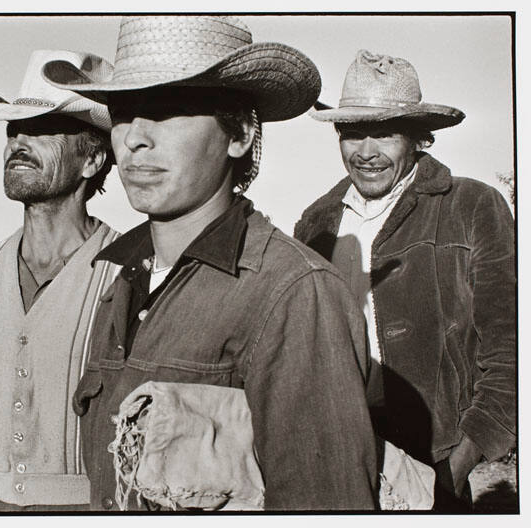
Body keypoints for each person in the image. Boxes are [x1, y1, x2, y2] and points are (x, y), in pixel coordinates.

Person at [43, 16, 378, 511]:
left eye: (167, 111)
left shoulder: (293, 291)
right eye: (122, 113)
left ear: (238, 134)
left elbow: (326, 501)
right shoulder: (120, 276)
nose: (134, 138)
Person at [294, 50, 516, 511]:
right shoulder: (315, 223)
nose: (366, 152)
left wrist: (460, 460)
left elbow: (511, 349)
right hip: (336, 453)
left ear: (418, 139)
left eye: (385, 133)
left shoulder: (472, 206)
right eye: (353, 133)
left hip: (434, 461)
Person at [0, 49, 120, 512]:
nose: (18, 142)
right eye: (14, 129)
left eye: (44, 129)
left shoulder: (129, 271)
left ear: (92, 159)